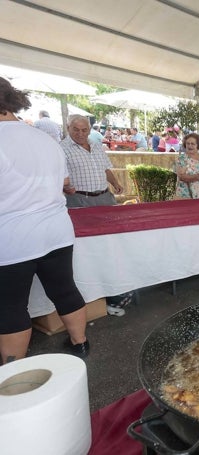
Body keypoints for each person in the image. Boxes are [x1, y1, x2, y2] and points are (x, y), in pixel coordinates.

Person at [0, 78, 89, 362]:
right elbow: (64, 182)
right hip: (57, 230)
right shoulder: (44, 138)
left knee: (11, 306)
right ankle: (80, 343)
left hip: (12, 237)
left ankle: (11, 373)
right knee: (65, 289)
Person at [61, 114, 124, 208]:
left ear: (89, 130)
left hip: (105, 197)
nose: (80, 133)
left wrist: (115, 183)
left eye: (84, 130)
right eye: (76, 129)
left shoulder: (97, 146)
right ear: (68, 128)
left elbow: (105, 169)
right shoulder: (61, 148)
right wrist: (65, 188)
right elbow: (56, 176)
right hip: (78, 199)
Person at [174, 133, 199, 199]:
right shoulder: (181, 159)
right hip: (185, 196)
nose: (190, 146)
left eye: (193, 144)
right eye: (187, 143)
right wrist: (195, 177)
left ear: (198, 145)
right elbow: (181, 177)